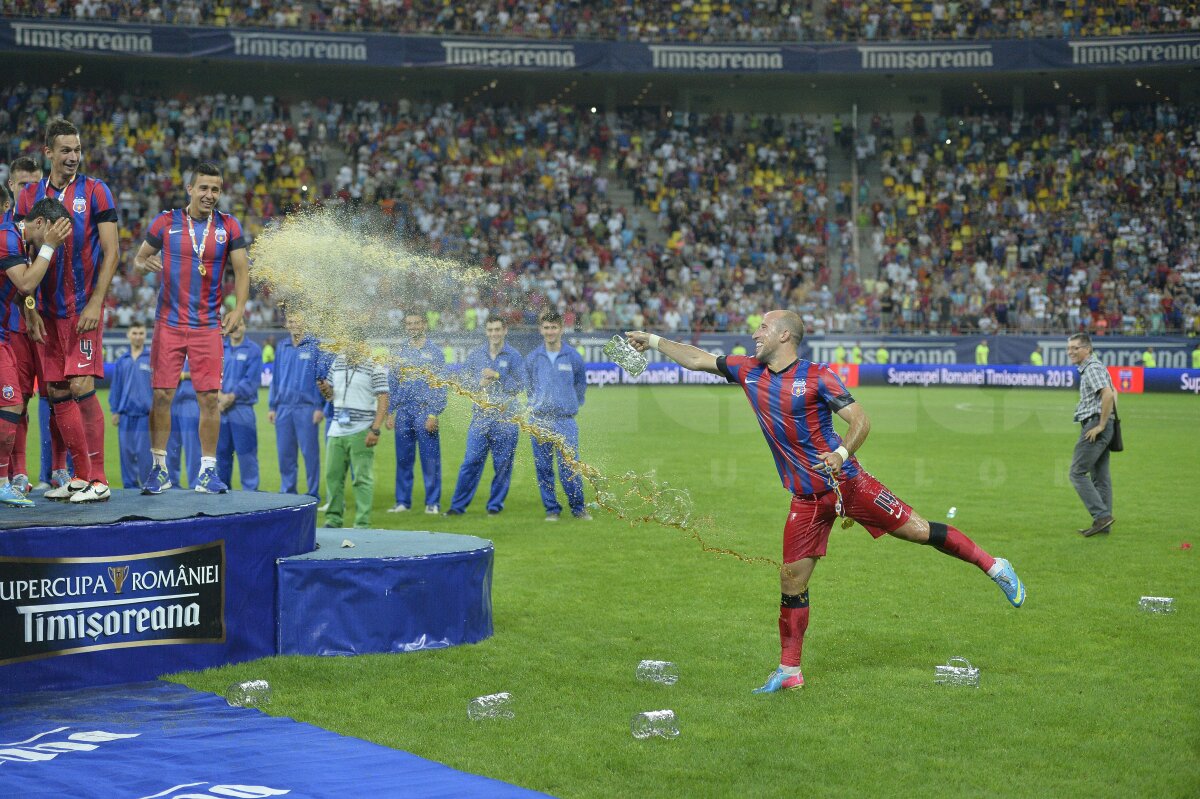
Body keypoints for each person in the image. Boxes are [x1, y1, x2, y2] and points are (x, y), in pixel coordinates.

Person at [625, 310, 1025, 692]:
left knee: (920, 532)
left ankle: (994, 566)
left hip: (849, 485)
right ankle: (789, 671)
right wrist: (655, 340)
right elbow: (697, 359)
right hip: (806, 499)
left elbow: (861, 420)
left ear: (784, 335)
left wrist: (841, 454)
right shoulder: (747, 370)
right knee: (791, 579)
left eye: (762, 327)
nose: (754, 334)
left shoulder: (818, 377)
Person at [16, 118, 122, 504]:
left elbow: (112, 252)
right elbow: (21, 256)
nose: (73, 157)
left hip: (82, 311)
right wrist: (29, 309)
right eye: (65, 150)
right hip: (44, 311)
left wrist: (96, 301)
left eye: (77, 149)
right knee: (57, 391)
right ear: (48, 152)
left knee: (81, 387)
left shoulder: (96, 191)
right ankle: (79, 476)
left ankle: (99, 478)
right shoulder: (28, 197)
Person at [132, 161, 249, 495]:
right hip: (168, 322)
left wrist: (238, 310)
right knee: (161, 395)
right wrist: (145, 265)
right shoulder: (166, 221)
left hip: (208, 325)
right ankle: (159, 469)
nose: (209, 195)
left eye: (215, 189)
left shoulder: (230, 226)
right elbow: (139, 259)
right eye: (203, 188)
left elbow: (242, 272)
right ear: (190, 189)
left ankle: (207, 473)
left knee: (209, 399)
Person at [0, 199, 72, 506]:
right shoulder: (7, 235)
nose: (51, 243)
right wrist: (50, 247)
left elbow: (18, 295)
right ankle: (3, 481)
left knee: (13, 404)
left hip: (4, 334)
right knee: (13, 403)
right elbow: (27, 284)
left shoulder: (15, 239)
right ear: (41, 223)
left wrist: (29, 312)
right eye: (52, 233)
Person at [445, 317, 525, 516]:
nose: (494, 334)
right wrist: (479, 383)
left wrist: (498, 376)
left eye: (497, 329)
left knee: (503, 466)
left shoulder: (514, 356)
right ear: (486, 331)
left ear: (505, 330)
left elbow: (521, 384)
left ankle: (494, 507)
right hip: (480, 419)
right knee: (470, 462)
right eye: (490, 330)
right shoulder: (475, 355)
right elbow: (463, 382)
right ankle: (457, 507)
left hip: (506, 420)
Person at [525, 309, 590, 521]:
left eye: (554, 327)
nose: (550, 331)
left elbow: (580, 384)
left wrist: (571, 404)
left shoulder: (573, 356)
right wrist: (537, 407)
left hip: (565, 421)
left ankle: (578, 508)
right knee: (543, 468)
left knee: (569, 466)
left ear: (561, 329)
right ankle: (551, 509)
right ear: (540, 329)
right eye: (546, 327)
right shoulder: (533, 358)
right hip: (540, 421)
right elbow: (529, 387)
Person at [319, 345, 389, 529]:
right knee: (332, 476)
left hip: (361, 430)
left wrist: (375, 429)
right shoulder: (338, 362)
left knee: (362, 478)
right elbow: (330, 396)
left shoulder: (375, 365)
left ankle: (362, 522)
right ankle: (333, 519)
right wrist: (325, 389)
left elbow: (383, 398)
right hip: (336, 428)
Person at [387, 311, 446, 514]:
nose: (412, 327)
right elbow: (392, 383)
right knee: (403, 458)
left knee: (430, 458)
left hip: (424, 411)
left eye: (416, 323)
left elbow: (440, 385)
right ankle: (402, 501)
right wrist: (389, 411)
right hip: (404, 411)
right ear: (405, 326)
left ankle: (432, 502)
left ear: (424, 325)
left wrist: (433, 413)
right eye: (409, 324)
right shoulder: (400, 352)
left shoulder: (435, 352)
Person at [268, 311, 326, 499]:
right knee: (285, 453)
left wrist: (319, 406)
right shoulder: (282, 346)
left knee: (310, 453)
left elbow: (321, 378)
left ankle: (312, 492)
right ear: (287, 324)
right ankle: (288, 491)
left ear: (304, 323)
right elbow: (275, 378)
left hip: (307, 408)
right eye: (291, 321)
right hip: (284, 407)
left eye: (297, 321)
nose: (294, 324)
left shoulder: (315, 346)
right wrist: (272, 406)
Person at [1067, 333, 1116, 537]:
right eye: (1069, 348)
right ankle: (1103, 522)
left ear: (1087, 349)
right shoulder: (1095, 366)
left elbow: (1108, 394)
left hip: (1095, 424)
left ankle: (1102, 516)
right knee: (1100, 476)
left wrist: (1102, 424)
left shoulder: (1092, 368)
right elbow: (1114, 393)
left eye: (1075, 348)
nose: (1070, 352)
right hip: (1102, 423)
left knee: (1077, 472)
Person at [217, 317, 262, 491]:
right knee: (221, 455)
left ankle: (250, 497)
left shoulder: (253, 350)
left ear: (244, 326)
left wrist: (230, 397)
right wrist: (220, 396)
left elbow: (251, 381)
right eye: (232, 326)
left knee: (247, 455)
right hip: (220, 409)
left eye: (239, 325)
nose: (236, 328)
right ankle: (222, 494)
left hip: (242, 409)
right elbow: (212, 375)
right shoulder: (220, 348)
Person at [108, 323, 153, 488]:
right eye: (135, 333)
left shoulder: (151, 359)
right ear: (128, 335)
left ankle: (148, 486)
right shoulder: (122, 361)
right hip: (126, 414)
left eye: (141, 333)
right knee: (126, 454)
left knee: (144, 455)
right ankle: (129, 488)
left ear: (145, 336)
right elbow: (116, 387)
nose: (138, 336)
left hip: (145, 415)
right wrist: (114, 410)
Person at [167, 361, 201, 489]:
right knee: (170, 448)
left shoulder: (198, 344)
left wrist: (182, 375)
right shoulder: (170, 345)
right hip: (170, 400)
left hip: (190, 400)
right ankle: (172, 485)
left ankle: (195, 485)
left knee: (193, 448)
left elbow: (204, 370)